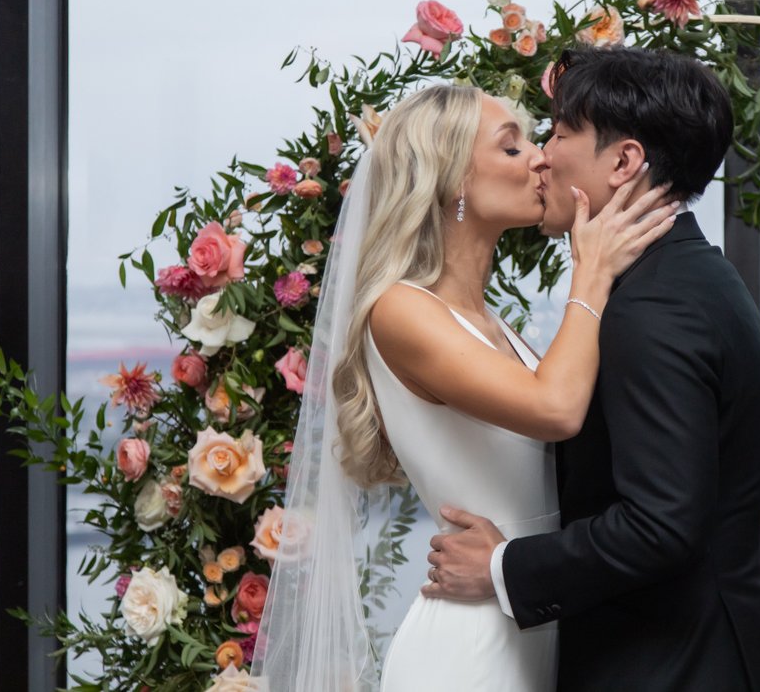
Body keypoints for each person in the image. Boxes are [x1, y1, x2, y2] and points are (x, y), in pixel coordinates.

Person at [254, 83, 679, 692]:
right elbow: (556, 409)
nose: (540, 158)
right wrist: (592, 272)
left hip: (528, 614)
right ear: (452, 179)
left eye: (536, 141)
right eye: (512, 148)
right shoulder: (400, 310)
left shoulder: (490, 322)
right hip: (470, 652)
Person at [422, 47, 760, 691]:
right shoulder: (691, 277)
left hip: (675, 666)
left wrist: (501, 566)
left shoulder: (652, 306)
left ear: (623, 162)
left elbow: (660, 524)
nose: (542, 154)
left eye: (560, 133)